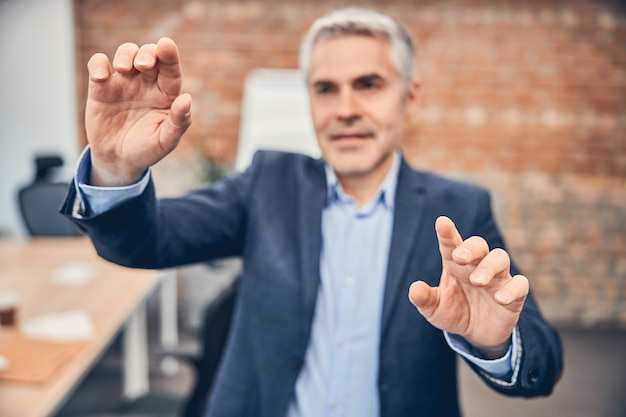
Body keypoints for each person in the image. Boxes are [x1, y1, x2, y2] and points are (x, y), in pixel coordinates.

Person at [61, 7, 563, 417]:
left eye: (368, 84)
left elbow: (544, 365)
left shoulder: (458, 209)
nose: (344, 108)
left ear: (409, 98)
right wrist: (113, 168)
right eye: (325, 88)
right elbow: (144, 240)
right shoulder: (268, 183)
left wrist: (497, 344)